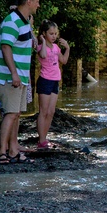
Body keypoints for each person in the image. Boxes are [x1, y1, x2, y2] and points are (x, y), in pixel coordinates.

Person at [0, 0, 39, 164]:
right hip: (9, 76)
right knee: (10, 113)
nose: (38, 4)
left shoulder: (24, 20)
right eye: (37, 1)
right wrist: (13, 74)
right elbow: (6, 47)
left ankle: (13, 150)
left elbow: (26, 39)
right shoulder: (11, 21)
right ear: (28, 1)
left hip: (20, 76)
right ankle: (1, 152)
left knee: (16, 113)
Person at [35, 19, 70, 149]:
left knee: (51, 112)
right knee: (43, 111)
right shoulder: (40, 47)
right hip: (45, 81)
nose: (54, 36)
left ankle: (45, 138)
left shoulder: (56, 47)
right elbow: (43, 55)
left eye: (55, 33)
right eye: (51, 33)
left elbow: (64, 61)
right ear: (44, 34)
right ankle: (41, 140)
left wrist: (67, 48)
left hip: (55, 81)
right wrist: (43, 41)